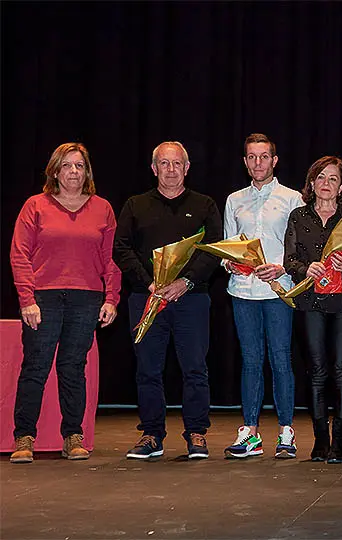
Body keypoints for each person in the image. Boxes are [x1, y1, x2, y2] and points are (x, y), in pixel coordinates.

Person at [9, 143, 121, 464]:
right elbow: (20, 255)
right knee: (35, 367)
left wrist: (111, 298)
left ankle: (73, 436)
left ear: (87, 172)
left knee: (73, 369)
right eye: (68, 166)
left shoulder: (102, 209)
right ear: (55, 170)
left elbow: (110, 259)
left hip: (86, 298)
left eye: (80, 166)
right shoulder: (36, 206)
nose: (74, 172)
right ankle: (24, 437)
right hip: (43, 298)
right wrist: (27, 299)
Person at [114, 141, 223, 460]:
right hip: (146, 299)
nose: (171, 169)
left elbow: (214, 249)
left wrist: (185, 282)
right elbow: (121, 249)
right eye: (164, 163)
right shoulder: (136, 205)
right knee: (148, 368)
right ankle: (151, 434)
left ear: (187, 168)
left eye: (177, 164)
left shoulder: (205, 205)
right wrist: (149, 284)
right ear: (153, 168)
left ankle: (197, 432)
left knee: (194, 368)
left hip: (192, 299)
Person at [222, 134, 303, 460]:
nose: (258, 163)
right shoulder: (233, 200)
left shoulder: (292, 198)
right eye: (252, 157)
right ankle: (251, 432)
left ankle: (286, 431)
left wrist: (280, 268)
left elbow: (300, 249)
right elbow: (227, 246)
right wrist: (229, 263)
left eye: (264, 156)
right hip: (243, 292)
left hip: (278, 291)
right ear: (245, 162)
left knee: (281, 360)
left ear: (275, 160)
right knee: (251, 361)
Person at [284, 156, 342, 463]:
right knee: (316, 372)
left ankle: (340, 441)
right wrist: (307, 269)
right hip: (310, 302)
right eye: (321, 177)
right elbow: (289, 261)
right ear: (311, 183)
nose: (326, 184)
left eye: (333, 179)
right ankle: (320, 439)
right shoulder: (298, 216)